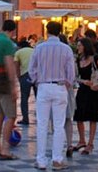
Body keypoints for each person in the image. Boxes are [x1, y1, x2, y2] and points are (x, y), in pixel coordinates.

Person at [29, 21, 76, 170]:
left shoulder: (39, 48)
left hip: (43, 87)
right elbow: (71, 73)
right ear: (60, 32)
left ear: (46, 31)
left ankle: (41, 160)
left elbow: (31, 69)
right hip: (60, 87)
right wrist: (67, 84)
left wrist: (37, 81)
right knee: (59, 125)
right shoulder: (66, 49)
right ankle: (57, 159)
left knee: (42, 124)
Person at [0, 20, 19, 160]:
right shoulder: (7, 43)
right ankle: (5, 148)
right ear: (13, 30)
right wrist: (13, 86)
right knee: (11, 116)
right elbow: (9, 65)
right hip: (4, 80)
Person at [14, 39, 35, 125]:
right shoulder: (34, 51)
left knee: (24, 98)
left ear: (20, 46)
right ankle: (43, 118)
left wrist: (19, 77)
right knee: (39, 98)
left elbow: (16, 66)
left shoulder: (18, 53)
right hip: (36, 75)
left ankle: (25, 119)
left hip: (25, 75)